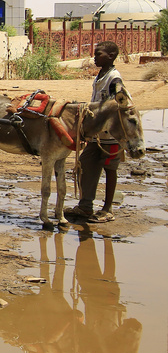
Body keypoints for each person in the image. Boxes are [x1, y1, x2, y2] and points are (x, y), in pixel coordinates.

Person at [67, 41, 125, 222]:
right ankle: (86, 206)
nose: (94, 57)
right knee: (84, 164)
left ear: (111, 56)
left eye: (98, 54)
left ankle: (107, 210)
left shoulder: (114, 78)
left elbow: (119, 100)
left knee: (109, 169)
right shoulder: (101, 75)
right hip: (96, 135)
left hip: (110, 136)